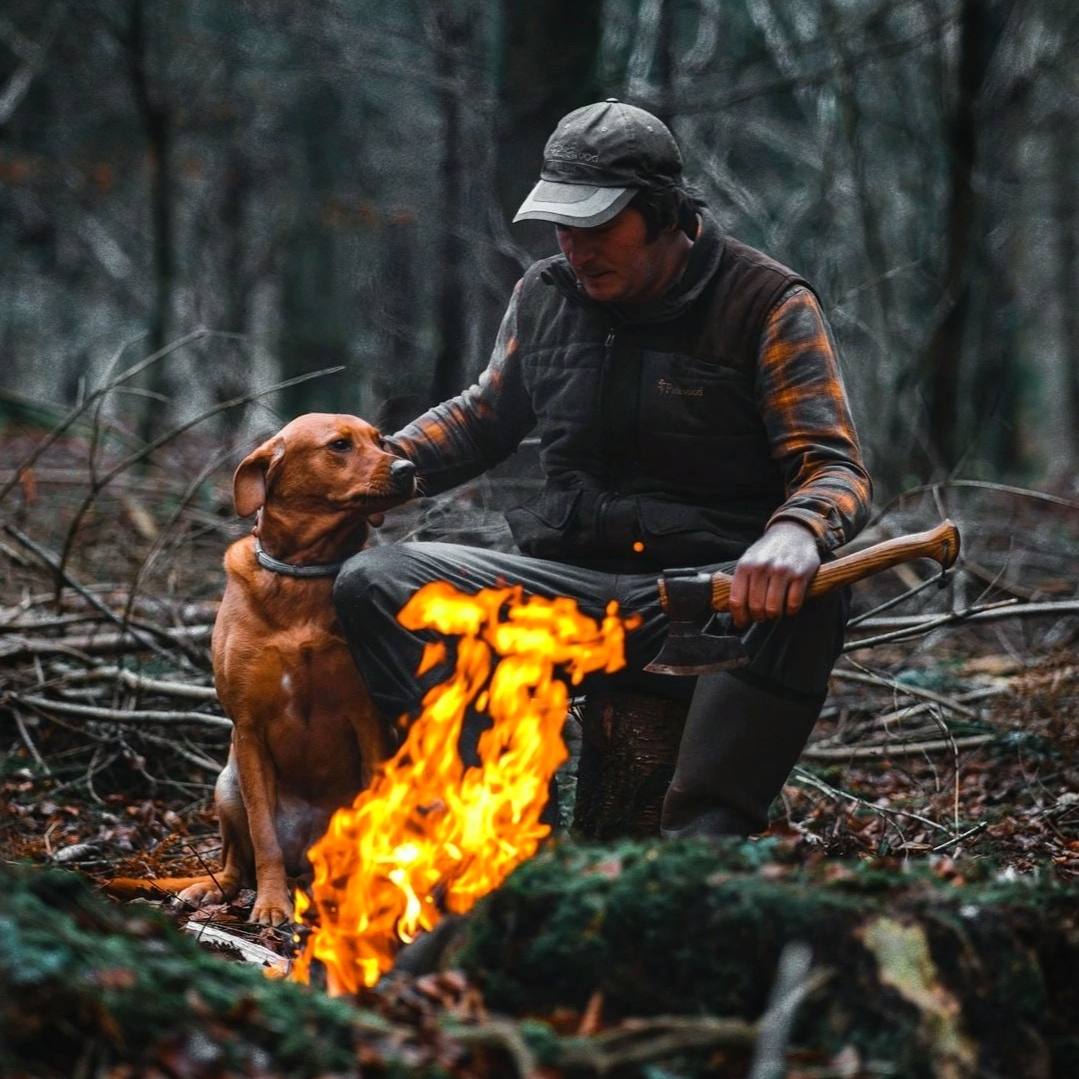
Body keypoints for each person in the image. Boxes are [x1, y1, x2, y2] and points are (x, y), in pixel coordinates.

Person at [333, 99, 872, 838]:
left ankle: (699, 847)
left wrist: (797, 532)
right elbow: (481, 417)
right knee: (378, 580)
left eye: (596, 226)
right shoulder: (544, 297)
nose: (575, 247)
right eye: (563, 225)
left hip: (706, 600)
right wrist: (376, 469)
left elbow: (832, 466)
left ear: (660, 213)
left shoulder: (766, 303)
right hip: (571, 594)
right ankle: (492, 835)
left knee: (812, 595)